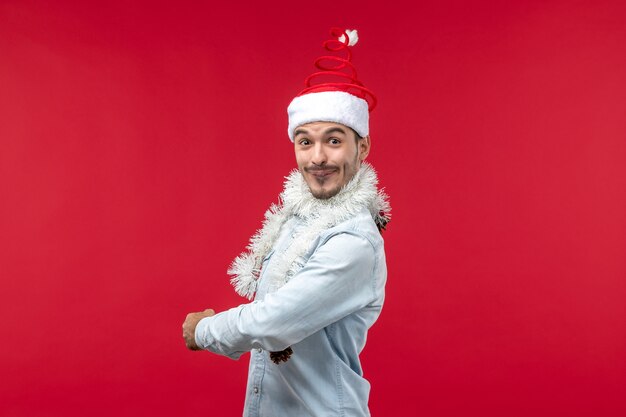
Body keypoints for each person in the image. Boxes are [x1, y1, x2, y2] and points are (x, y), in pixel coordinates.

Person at [182, 28, 391, 417]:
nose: (317, 158)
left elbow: (275, 320)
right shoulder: (296, 218)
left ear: (362, 146)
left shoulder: (354, 241)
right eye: (305, 141)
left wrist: (204, 331)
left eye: (333, 140)